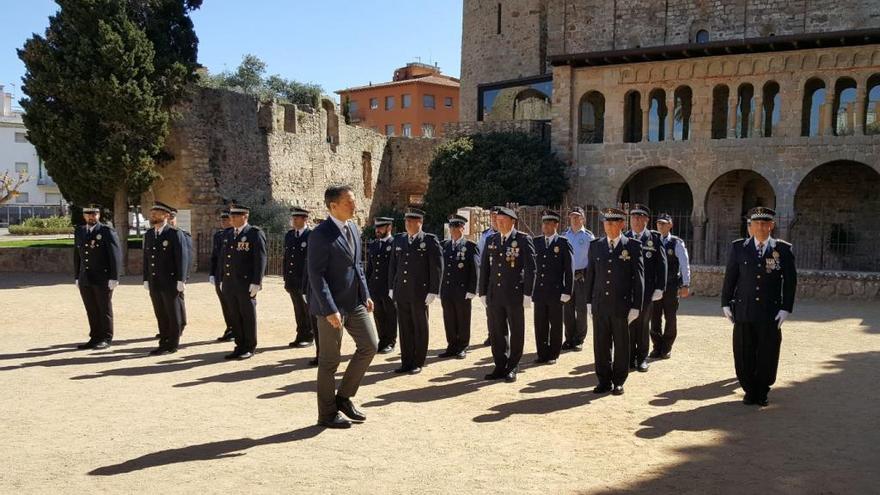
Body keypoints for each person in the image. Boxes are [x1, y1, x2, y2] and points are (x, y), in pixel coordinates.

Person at [307, 185, 378, 429]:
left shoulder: (354, 229)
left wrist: (365, 294)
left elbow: (358, 265)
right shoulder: (320, 234)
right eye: (349, 202)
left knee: (370, 345)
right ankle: (326, 414)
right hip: (331, 308)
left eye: (354, 201)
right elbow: (316, 275)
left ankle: (344, 397)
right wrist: (329, 309)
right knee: (329, 361)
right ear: (333, 206)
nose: (354, 205)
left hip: (354, 302)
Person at [721, 207, 796, 407]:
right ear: (751, 226)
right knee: (744, 352)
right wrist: (725, 303)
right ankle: (748, 389)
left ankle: (762, 390)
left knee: (767, 353)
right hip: (744, 310)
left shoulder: (783, 250)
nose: (761, 227)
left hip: (770, 312)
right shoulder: (739, 248)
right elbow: (731, 278)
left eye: (765, 223)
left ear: (772, 225)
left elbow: (790, 282)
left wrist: (785, 308)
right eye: (757, 223)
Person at [585, 207, 644, 396]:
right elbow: (590, 275)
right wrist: (588, 301)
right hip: (600, 304)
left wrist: (636, 306)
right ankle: (603, 380)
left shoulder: (632, 246)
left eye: (612, 222)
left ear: (621, 224)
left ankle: (619, 380)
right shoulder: (596, 246)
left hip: (622, 305)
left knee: (621, 345)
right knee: (601, 345)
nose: (608, 226)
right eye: (605, 222)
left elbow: (639, 278)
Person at [478, 206, 536, 383]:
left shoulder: (523, 239)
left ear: (513, 221)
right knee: (497, 331)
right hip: (495, 293)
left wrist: (527, 294)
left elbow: (531, 268)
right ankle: (500, 364)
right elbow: (485, 267)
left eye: (503, 220)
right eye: (497, 220)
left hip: (515, 294)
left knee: (516, 330)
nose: (499, 223)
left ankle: (512, 366)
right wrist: (483, 291)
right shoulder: (492, 240)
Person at [388, 207, 442, 374]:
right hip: (402, 291)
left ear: (420, 222)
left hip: (420, 292)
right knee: (404, 327)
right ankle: (406, 361)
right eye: (406, 221)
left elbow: (437, 268)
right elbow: (393, 266)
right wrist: (391, 286)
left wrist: (433, 290)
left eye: (412, 221)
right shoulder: (399, 240)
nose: (408, 224)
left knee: (420, 327)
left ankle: (418, 361)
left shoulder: (429, 241)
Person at [220, 204, 267, 360]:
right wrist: (222, 279)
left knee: (247, 315)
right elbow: (225, 259)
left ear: (245, 216)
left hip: (246, 283)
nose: (232, 219)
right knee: (234, 316)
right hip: (230, 283)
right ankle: (239, 345)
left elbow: (260, 259)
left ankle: (249, 346)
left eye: (235, 216)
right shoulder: (228, 234)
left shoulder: (254, 234)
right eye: (231, 216)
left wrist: (257, 282)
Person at [624, 204, 667, 372]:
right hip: (627, 290)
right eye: (633, 217)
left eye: (639, 217)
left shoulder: (654, 238)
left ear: (646, 220)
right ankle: (628, 357)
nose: (635, 220)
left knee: (642, 325)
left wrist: (660, 288)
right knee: (628, 324)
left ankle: (642, 358)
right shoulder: (625, 237)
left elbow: (662, 265)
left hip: (646, 291)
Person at [73, 204, 121, 350]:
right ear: (84, 216)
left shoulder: (106, 231)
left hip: (102, 277)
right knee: (91, 308)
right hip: (85, 277)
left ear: (99, 215)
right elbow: (77, 255)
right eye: (88, 214)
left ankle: (106, 337)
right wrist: (77, 275)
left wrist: (114, 277)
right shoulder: (80, 231)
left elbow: (115, 256)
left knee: (103, 308)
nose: (91, 217)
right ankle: (95, 337)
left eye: (94, 214)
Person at [143, 202, 187, 355]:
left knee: (172, 313)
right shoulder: (149, 234)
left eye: (157, 213)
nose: (153, 215)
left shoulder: (174, 234)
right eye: (152, 212)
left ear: (166, 216)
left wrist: (181, 279)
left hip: (170, 280)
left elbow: (181, 257)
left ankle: (172, 344)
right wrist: (146, 278)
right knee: (160, 312)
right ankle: (163, 341)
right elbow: (147, 258)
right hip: (155, 280)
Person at [532, 210, 573, 365]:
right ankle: (542, 353)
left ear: (556, 225)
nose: (546, 226)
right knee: (540, 324)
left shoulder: (562, 243)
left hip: (556, 292)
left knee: (555, 324)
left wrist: (567, 291)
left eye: (549, 223)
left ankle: (553, 354)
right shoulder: (536, 242)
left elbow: (569, 269)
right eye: (544, 223)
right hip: (540, 291)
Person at [650, 213, 691, 359]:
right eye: (659, 223)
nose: (661, 226)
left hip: (671, 285)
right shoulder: (651, 240)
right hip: (655, 286)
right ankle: (656, 346)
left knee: (670, 317)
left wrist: (686, 284)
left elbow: (684, 264)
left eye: (664, 223)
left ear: (670, 225)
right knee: (654, 317)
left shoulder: (676, 243)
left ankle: (666, 347)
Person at [439, 214, 478, 359]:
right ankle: (452, 345)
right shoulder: (444, 246)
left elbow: (475, 270)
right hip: (447, 289)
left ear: (463, 228)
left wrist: (472, 290)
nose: (454, 230)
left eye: (457, 227)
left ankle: (462, 346)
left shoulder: (469, 246)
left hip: (462, 290)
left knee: (463, 318)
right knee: (449, 318)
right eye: (452, 227)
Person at [562, 206, 595, 352]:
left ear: (583, 219)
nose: (574, 219)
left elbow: (593, 259)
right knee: (567, 309)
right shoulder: (564, 236)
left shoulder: (588, 237)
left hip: (582, 277)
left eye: (577, 217)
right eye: (572, 217)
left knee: (581, 309)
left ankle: (579, 339)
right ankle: (569, 338)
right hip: (567, 277)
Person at [284, 207, 317, 348]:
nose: (294, 221)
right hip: (292, 280)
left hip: (305, 281)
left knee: (307, 309)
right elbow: (286, 258)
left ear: (305, 219)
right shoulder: (290, 235)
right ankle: (300, 334)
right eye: (293, 218)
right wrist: (286, 277)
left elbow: (312, 261)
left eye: (297, 218)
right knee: (298, 309)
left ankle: (309, 336)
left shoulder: (311, 236)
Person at [365, 216, 398, 354]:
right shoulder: (373, 244)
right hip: (375, 286)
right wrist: (366, 287)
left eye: (381, 227)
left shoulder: (395, 243)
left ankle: (390, 341)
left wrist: (394, 287)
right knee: (378, 315)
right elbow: (370, 268)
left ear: (389, 228)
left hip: (388, 286)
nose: (378, 230)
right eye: (377, 227)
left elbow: (397, 267)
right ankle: (382, 340)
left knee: (390, 314)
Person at [209, 210, 234, 342]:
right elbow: (215, 257)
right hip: (220, 274)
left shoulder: (234, 234)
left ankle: (235, 329)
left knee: (232, 304)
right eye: (222, 220)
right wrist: (212, 273)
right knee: (224, 304)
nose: (223, 222)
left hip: (230, 276)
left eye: (226, 219)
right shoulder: (218, 235)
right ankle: (229, 327)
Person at [476, 207, 499, 346]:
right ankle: (491, 334)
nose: (494, 219)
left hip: (503, 275)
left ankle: (502, 333)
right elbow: (480, 255)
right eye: (492, 216)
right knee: (489, 308)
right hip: (490, 274)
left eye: (497, 216)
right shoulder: (485, 235)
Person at [168, 208, 193, 336]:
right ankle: (168, 326)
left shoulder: (183, 234)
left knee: (178, 300)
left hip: (177, 275)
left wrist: (183, 277)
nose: (170, 221)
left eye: (172, 218)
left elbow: (187, 256)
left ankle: (180, 324)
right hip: (165, 276)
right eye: (168, 218)